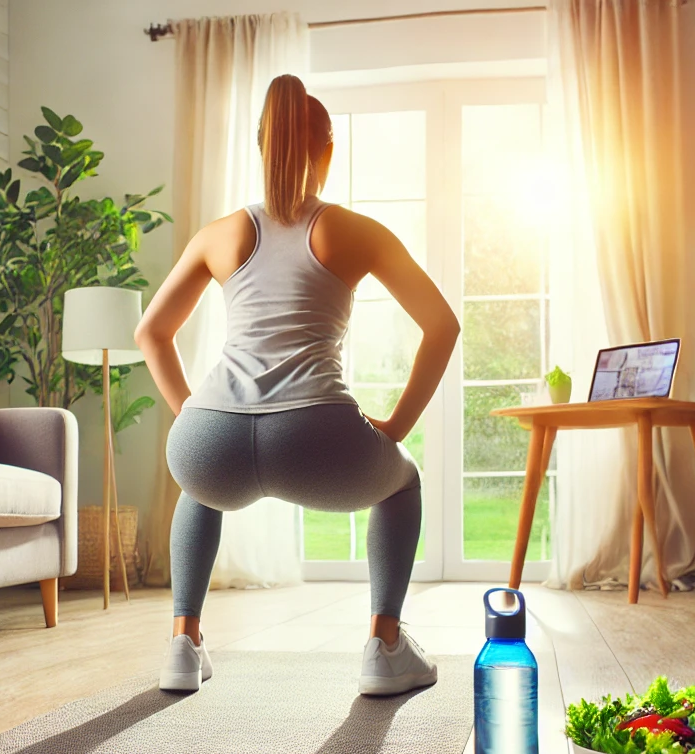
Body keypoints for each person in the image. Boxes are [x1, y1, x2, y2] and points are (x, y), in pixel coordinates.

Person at [135, 74, 459, 697]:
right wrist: (397, 427)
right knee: (404, 479)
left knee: (196, 481)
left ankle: (183, 642)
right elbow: (441, 325)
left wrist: (190, 417)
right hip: (315, 437)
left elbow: (151, 332)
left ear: (261, 147)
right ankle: (385, 647)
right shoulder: (354, 230)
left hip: (213, 436)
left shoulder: (220, 234)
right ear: (327, 152)